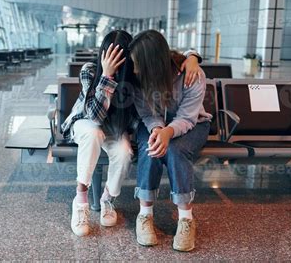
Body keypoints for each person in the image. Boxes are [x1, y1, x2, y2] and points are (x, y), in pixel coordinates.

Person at [61, 30, 203, 237]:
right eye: (111, 57)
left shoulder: (134, 76)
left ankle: (107, 198)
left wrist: (193, 56)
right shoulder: (90, 71)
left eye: (122, 59)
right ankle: (80, 200)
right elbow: (94, 117)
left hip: (115, 129)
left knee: (124, 152)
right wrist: (107, 76)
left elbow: (160, 52)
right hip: (85, 123)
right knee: (93, 133)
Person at [130, 29, 211, 252]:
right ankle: (144, 215)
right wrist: (158, 130)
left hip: (192, 124)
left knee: (175, 150)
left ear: (153, 63)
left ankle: (186, 218)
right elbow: (147, 114)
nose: (134, 69)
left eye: (138, 64)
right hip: (153, 123)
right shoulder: (137, 79)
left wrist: (168, 133)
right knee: (151, 147)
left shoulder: (192, 74)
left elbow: (187, 117)